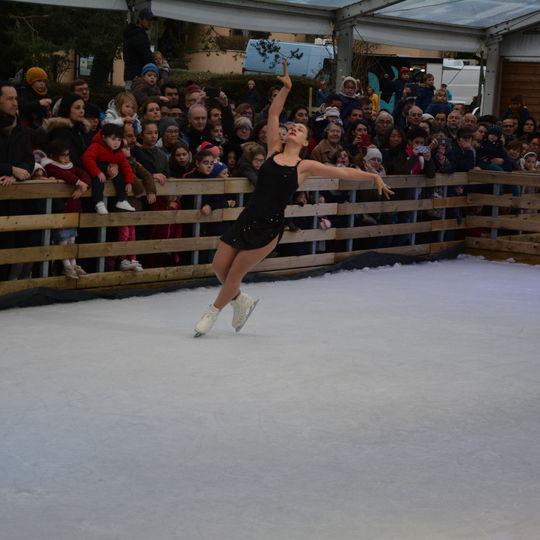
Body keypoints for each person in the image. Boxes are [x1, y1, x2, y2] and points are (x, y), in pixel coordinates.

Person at [193, 61, 393, 337]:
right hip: (248, 217)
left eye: (300, 129)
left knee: (235, 272)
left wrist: (372, 176)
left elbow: (341, 171)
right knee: (219, 266)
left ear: (305, 140)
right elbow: (274, 114)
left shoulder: (305, 166)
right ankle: (241, 301)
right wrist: (287, 88)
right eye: (293, 127)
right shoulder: (274, 150)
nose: (294, 129)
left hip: (269, 227)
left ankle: (212, 312)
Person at [41, 140, 91, 279]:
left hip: (73, 209)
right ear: (53, 155)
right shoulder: (50, 167)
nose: (66, 159)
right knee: (62, 238)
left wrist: (83, 186)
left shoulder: (71, 166)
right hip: (61, 209)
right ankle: (66, 266)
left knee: (71, 239)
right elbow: (63, 175)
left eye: (68, 155)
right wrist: (78, 182)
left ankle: (73, 263)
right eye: (63, 155)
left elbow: (85, 175)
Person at [82, 123, 136, 214]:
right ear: (104, 138)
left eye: (119, 140)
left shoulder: (118, 152)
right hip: (93, 171)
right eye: (113, 139)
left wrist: (129, 182)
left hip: (107, 173)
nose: (116, 143)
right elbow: (87, 158)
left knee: (120, 176)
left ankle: (122, 200)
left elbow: (126, 166)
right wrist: (97, 172)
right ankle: (99, 202)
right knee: (98, 180)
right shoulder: (96, 146)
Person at [123, 8, 156, 89]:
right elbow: (147, 57)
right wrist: (155, 70)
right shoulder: (140, 36)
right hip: (138, 77)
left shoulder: (130, 34)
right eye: (147, 20)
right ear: (140, 20)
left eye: (151, 20)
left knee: (130, 99)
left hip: (130, 75)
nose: (150, 22)